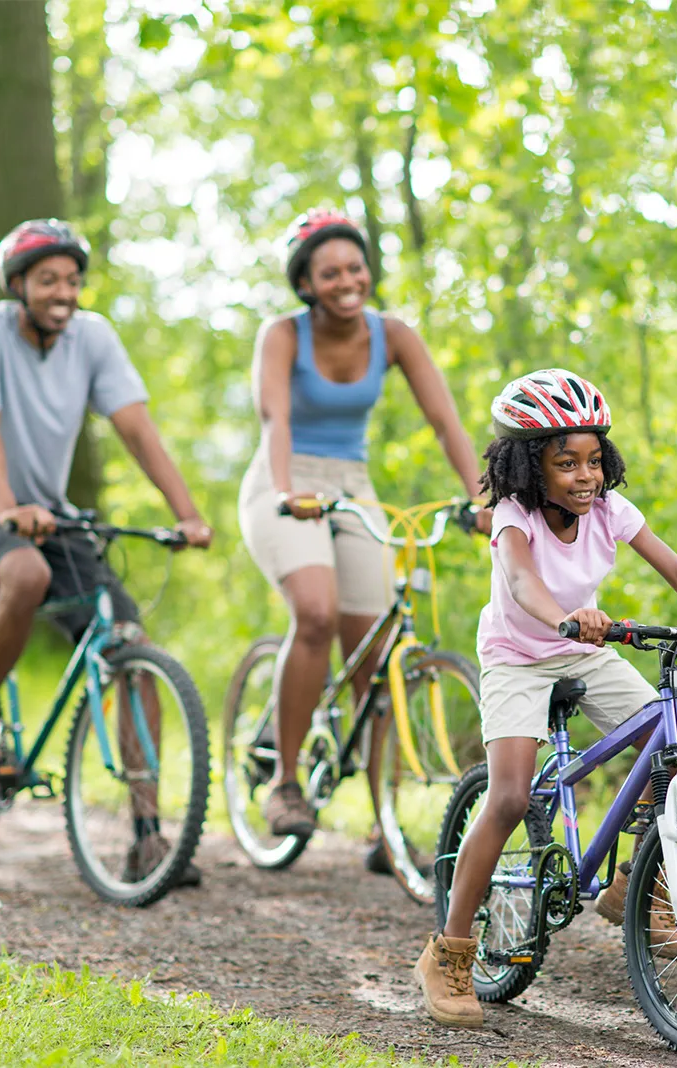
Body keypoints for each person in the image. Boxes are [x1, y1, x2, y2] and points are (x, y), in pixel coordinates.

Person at [412, 368, 677, 1028]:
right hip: (517, 656)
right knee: (508, 796)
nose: (585, 476)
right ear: (530, 467)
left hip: (584, 647)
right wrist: (566, 614)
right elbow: (524, 584)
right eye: (567, 463)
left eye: (594, 460)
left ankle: (639, 891)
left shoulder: (610, 510)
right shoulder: (512, 517)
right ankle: (449, 952)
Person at [0, 218, 213, 883]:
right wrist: (5, 509)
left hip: (49, 516)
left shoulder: (94, 338)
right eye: (49, 279)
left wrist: (188, 514)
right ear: (18, 285)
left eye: (74, 280)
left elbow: (136, 428)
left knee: (130, 645)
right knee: (21, 572)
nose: (64, 291)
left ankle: (147, 836)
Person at [238, 209, 491, 846]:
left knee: (376, 656)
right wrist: (287, 489)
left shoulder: (394, 334)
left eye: (355, 267)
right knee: (317, 615)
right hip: (285, 478)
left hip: (352, 483)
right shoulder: (282, 335)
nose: (347, 280)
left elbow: (445, 422)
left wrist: (483, 499)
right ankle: (285, 782)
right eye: (329, 272)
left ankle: (385, 823)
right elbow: (276, 419)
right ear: (305, 283)